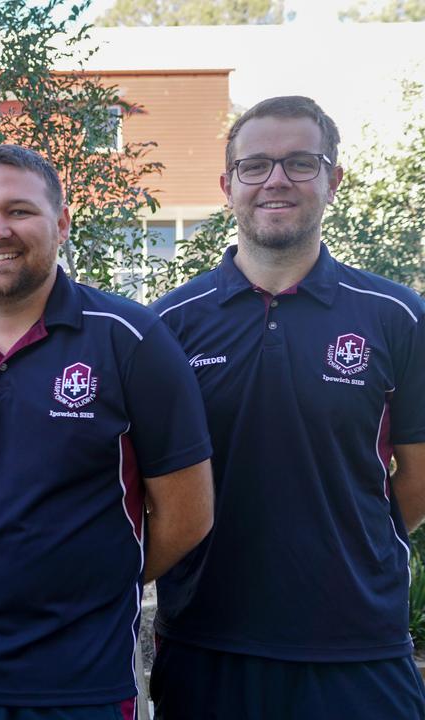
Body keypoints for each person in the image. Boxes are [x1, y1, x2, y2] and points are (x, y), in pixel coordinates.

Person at [0, 145, 214, 719]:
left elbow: (187, 516)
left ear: (61, 223)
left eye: (19, 210)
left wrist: (91, 588)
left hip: (78, 681)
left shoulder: (130, 339)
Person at [149, 96, 425, 719]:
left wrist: (347, 543)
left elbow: (418, 479)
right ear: (227, 185)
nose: (276, 180)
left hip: (357, 649)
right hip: (206, 641)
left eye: (301, 162)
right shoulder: (164, 326)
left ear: (334, 179)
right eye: (255, 166)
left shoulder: (396, 316)